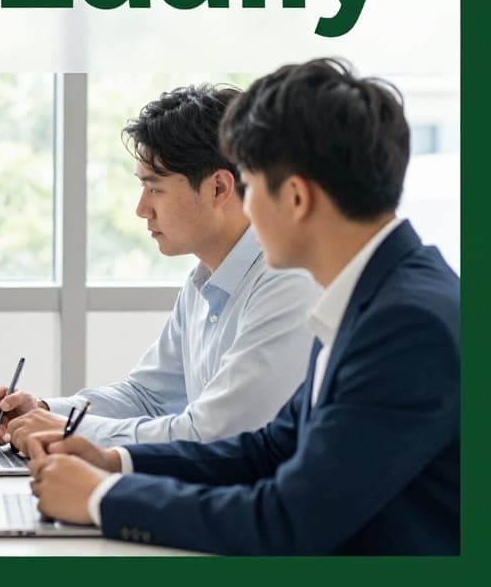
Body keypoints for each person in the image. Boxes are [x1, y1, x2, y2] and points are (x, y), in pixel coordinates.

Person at [25, 59, 459, 555]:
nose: (245, 210)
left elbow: (289, 519)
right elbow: (268, 449)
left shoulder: (407, 324)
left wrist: (104, 498)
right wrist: (115, 462)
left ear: (295, 198)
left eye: (251, 185)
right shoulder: (370, 295)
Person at [0, 85, 317, 449]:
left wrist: (64, 431)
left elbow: (214, 433)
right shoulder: (203, 280)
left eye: (154, 188)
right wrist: (41, 411)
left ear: (218, 187)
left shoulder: (287, 283)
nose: (142, 208)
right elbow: (148, 397)